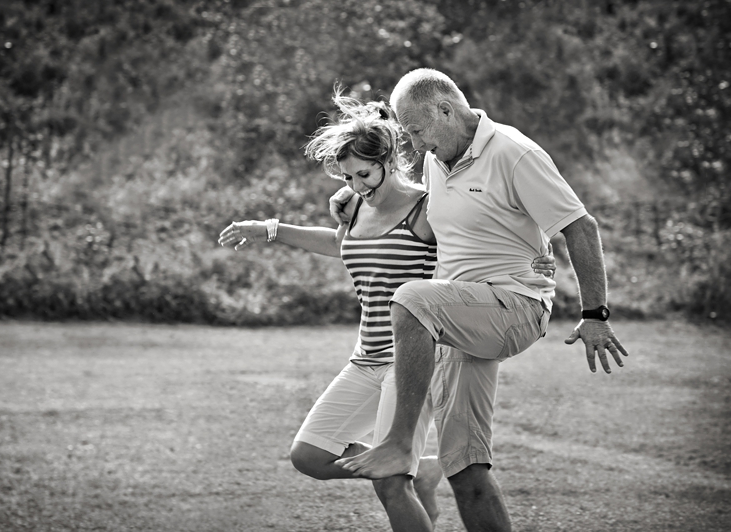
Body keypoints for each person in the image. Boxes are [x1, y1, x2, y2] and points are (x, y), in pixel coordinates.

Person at [217, 90, 557, 532]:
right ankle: (426, 468)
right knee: (310, 457)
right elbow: (342, 248)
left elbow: (483, 232)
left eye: (364, 174)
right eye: (348, 177)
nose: (357, 186)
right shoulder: (354, 206)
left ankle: (408, 468)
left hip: (412, 359)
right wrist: (271, 230)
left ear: (389, 160)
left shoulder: (426, 207)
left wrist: (537, 257)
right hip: (366, 356)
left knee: (391, 484)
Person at [331, 68, 630, 532]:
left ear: (446, 110)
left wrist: (595, 314)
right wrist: (356, 197)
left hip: (515, 306)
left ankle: (397, 442)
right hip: (457, 319)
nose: (413, 144)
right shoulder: (439, 158)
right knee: (465, 468)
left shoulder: (514, 153)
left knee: (411, 298)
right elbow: (420, 212)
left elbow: (580, 226)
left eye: (416, 130)